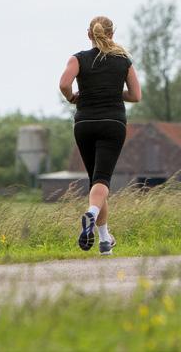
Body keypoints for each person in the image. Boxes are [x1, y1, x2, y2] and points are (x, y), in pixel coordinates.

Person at [59, 16, 141, 255]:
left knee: (96, 182)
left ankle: (105, 241)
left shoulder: (78, 59)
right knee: (102, 180)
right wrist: (116, 92)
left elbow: (64, 83)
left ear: (89, 35)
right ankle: (91, 215)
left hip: (84, 124)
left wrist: (72, 97)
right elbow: (136, 95)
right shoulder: (123, 61)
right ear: (112, 35)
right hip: (112, 124)